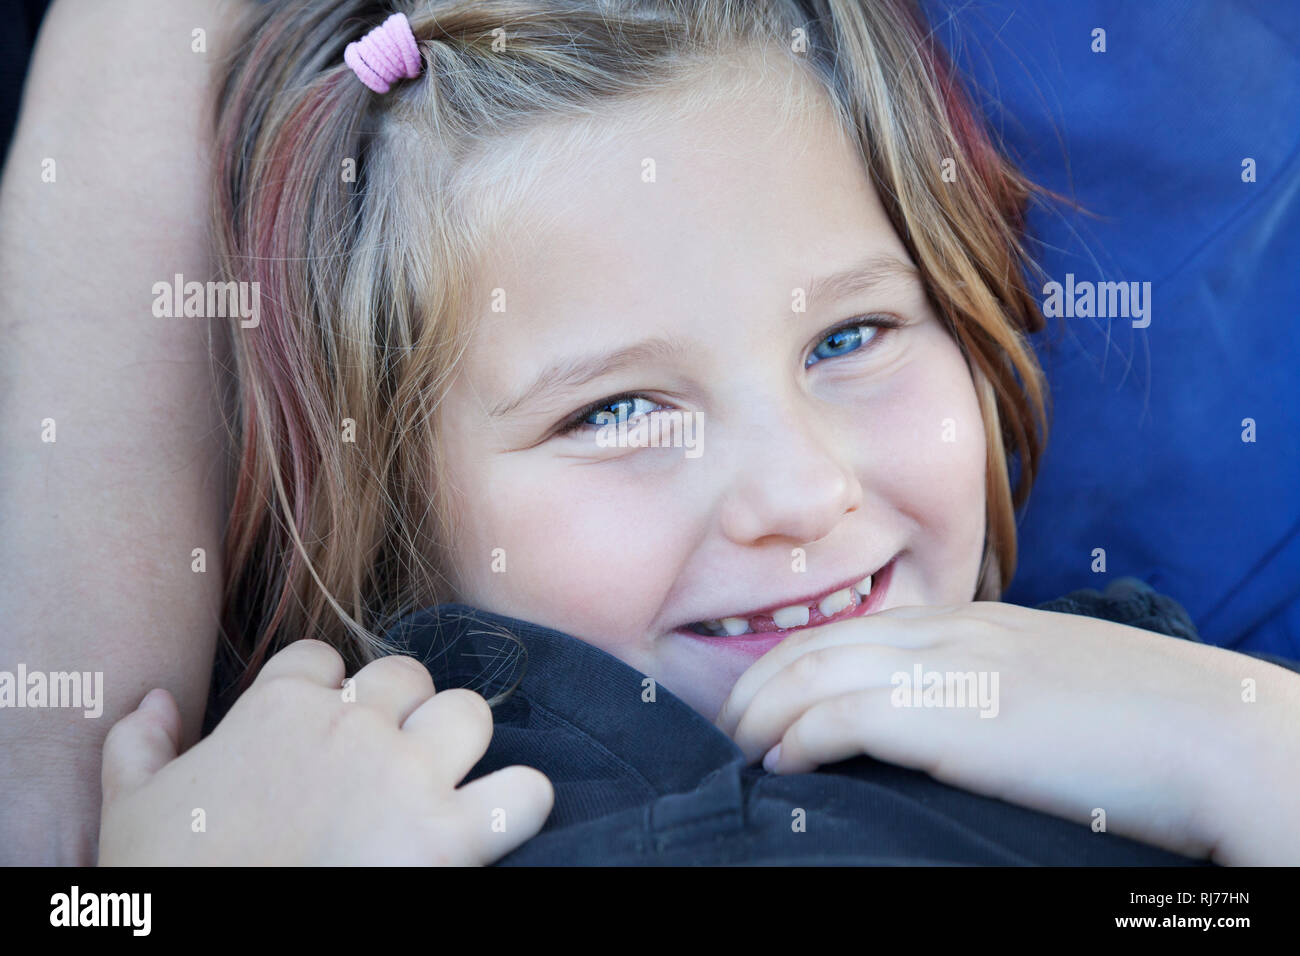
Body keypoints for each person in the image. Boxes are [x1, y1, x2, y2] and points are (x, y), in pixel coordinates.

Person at [95, 0, 1300, 866]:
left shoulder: (1148, 696)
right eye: (616, 410)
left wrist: (1248, 752)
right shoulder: (373, 815)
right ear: (395, 519)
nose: (799, 487)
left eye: (850, 337)